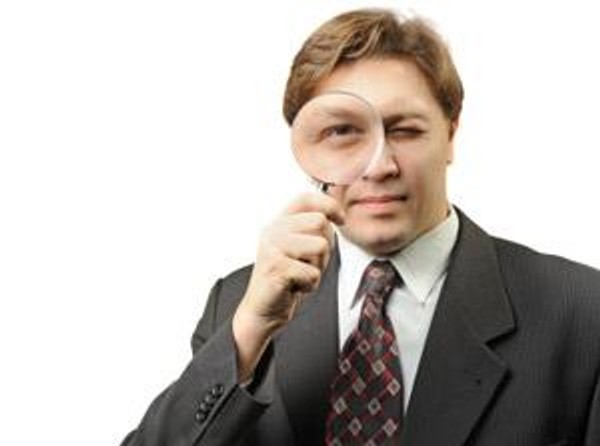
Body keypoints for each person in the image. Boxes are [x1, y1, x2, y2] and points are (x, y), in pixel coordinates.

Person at [121, 8, 600, 446]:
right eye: (343, 132)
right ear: (309, 146)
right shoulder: (238, 305)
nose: (379, 166)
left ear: (452, 134)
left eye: (405, 130)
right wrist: (248, 335)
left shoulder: (582, 313)